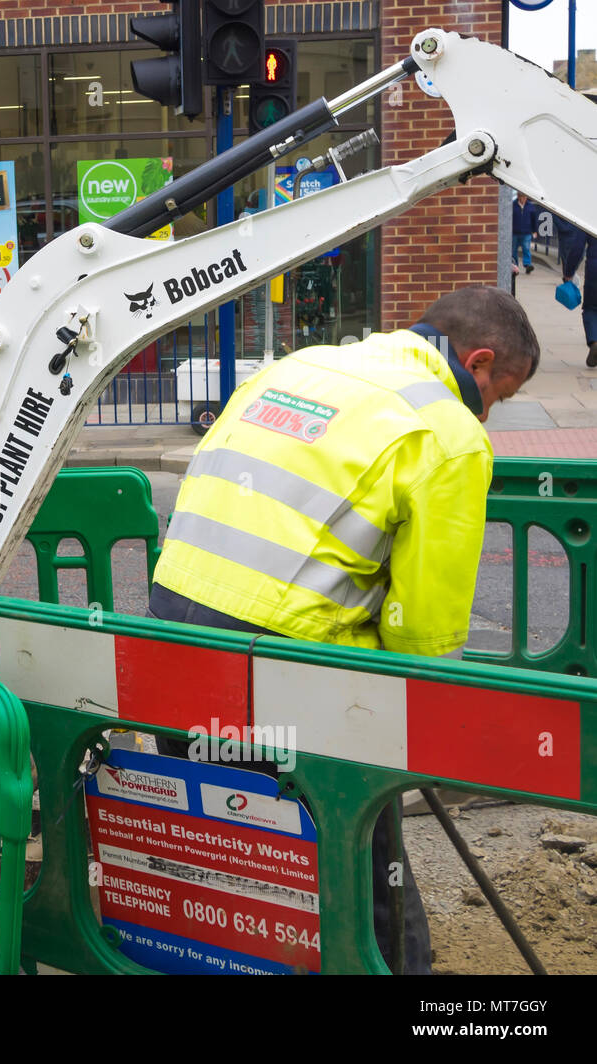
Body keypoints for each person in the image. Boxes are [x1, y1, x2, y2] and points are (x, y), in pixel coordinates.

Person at [149, 286, 540, 973]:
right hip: (282, 668)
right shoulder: (448, 432)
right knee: (360, 862)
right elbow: (426, 635)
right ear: (479, 363)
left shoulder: (300, 367)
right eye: (499, 396)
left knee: (229, 851)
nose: (490, 414)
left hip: (173, 639)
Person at [556, 216, 597, 367]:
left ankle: (594, 341)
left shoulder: (590, 213)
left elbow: (577, 248)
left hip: (594, 270)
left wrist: (569, 272)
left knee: (591, 309)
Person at [512, 192, 539, 274]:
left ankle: (527, 265)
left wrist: (535, 231)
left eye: (525, 197)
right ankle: (515, 266)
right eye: (522, 197)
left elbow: (534, 220)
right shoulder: (512, 205)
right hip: (514, 232)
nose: (524, 199)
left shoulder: (530, 206)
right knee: (513, 250)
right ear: (518, 196)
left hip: (526, 232)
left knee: (526, 249)